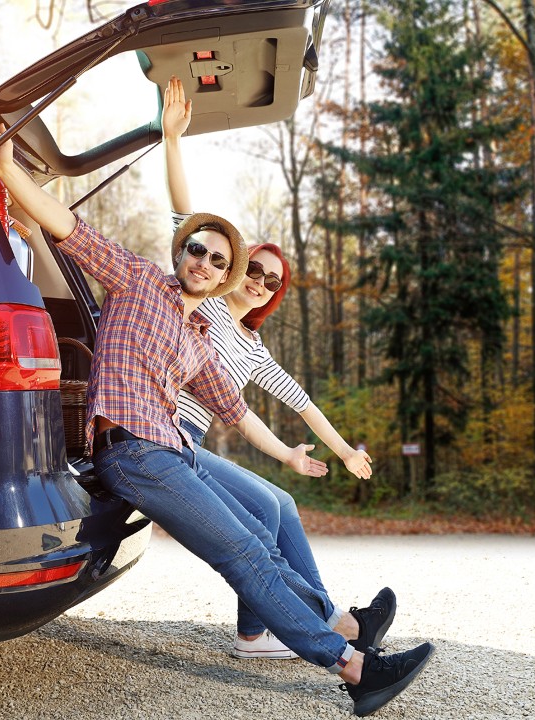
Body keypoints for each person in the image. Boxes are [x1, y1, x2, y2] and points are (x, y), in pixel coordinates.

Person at [0, 113, 433, 717]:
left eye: (217, 260)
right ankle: (352, 666)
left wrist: (289, 454)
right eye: (197, 250)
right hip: (132, 450)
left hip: (173, 452)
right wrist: (5, 166)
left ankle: (344, 635)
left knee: (258, 544)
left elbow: (238, 413)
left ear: (224, 276)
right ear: (181, 250)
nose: (204, 263)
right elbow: (68, 226)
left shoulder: (199, 340)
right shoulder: (137, 279)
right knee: (244, 552)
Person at [162, 75, 402, 663]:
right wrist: (172, 140)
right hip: (168, 435)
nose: (260, 281)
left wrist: (344, 451)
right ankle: (314, 625)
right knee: (268, 510)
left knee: (281, 505)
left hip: (193, 440)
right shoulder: (206, 300)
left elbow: (303, 403)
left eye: (272, 281)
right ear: (234, 267)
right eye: (254, 269)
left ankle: (283, 626)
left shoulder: (254, 349)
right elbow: (185, 219)